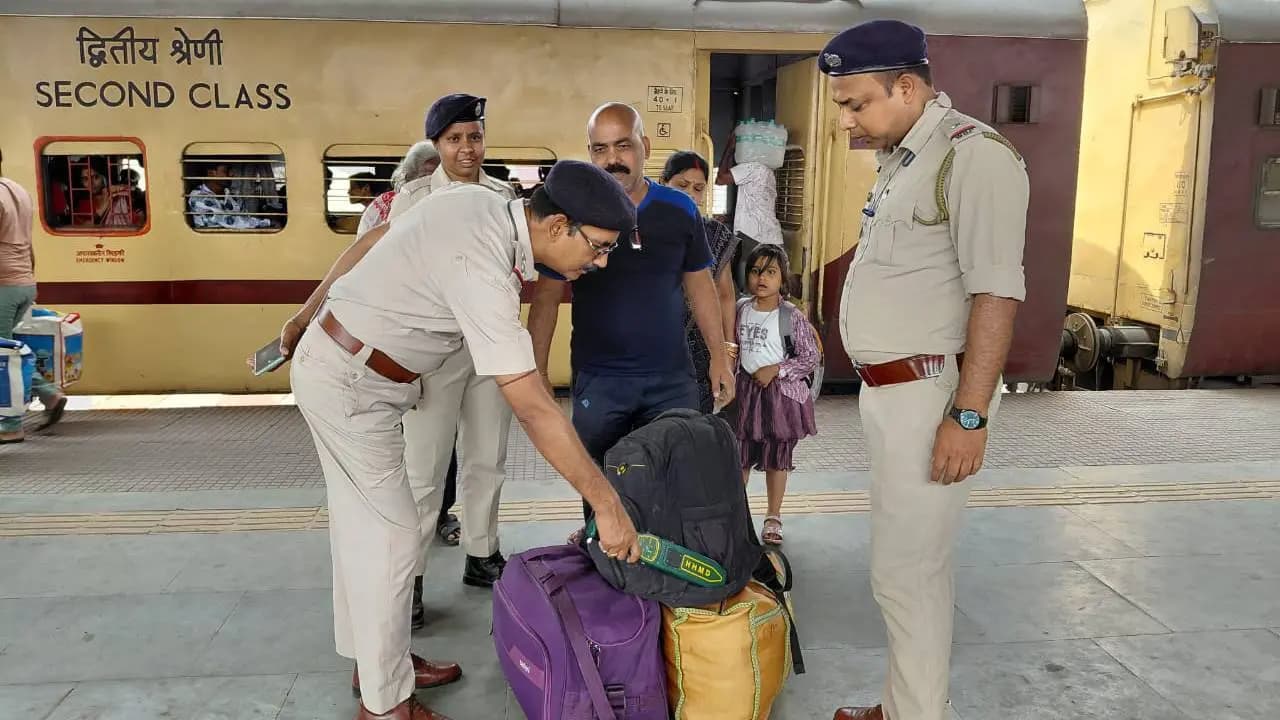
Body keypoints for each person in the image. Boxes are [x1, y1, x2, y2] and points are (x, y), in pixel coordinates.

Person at [273, 159, 643, 720]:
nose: (600, 261)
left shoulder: (478, 203)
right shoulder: (484, 266)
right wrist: (606, 503)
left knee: (362, 526)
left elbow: (377, 237)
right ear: (557, 224)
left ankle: (376, 662)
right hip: (350, 383)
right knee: (394, 537)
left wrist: (308, 309)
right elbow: (534, 407)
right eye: (598, 246)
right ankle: (385, 706)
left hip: (348, 367)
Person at [818, 20, 1029, 720]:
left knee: (906, 573)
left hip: (930, 394)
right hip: (891, 397)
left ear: (906, 87)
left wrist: (968, 416)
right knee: (909, 570)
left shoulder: (976, 157)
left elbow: (995, 291)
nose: (846, 120)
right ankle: (906, 705)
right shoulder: (905, 157)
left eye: (856, 103)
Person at [528, 104, 735, 523]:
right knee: (599, 488)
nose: (612, 159)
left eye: (623, 145)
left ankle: (666, 579)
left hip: (671, 381)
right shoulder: (573, 215)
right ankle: (607, 570)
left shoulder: (679, 209)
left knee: (675, 485)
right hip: (600, 382)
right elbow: (547, 298)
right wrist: (538, 373)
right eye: (600, 149)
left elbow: (701, 283)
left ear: (645, 146)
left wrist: (719, 356)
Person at [393, 94, 518, 609]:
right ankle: (411, 576)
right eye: (454, 139)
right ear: (437, 144)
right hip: (434, 353)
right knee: (424, 470)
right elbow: (397, 279)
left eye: (474, 137)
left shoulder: (503, 194)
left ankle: (482, 553)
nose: (467, 148)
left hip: (489, 349)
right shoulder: (414, 198)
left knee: (488, 457)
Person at [733, 244, 819, 545]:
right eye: (756, 271)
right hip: (746, 393)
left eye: (770, 272)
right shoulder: (741, 308)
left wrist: (777, 370)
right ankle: (735, 516)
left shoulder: (790, 315)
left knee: (776, 457)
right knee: (739, 455)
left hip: (778, 397)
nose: (762, 278)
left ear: (782, 278)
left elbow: (810, 357)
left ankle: (773, 516)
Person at [659, 151, 740, 414]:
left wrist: (726, 353)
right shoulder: (643, 227)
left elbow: (726, 295)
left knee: (693, 430)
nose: (690, 195)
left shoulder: (715, 234)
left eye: (698, 188)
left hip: (700, 350)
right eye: (681, 186)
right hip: (651, 347)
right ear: (663, 183)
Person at [0, 150, 67, 443]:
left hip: (3, 284)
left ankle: (11, 424)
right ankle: (49, 395)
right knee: (8, 351)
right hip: (24, 281)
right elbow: (27, 241)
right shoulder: (16, 189)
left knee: (3, 356)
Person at [355, 141, 441, 240]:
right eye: (424, 177)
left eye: (435, 177)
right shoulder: (383, 204)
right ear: (409, 176)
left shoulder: (448, 202)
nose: (427, 183)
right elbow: (364, 243)